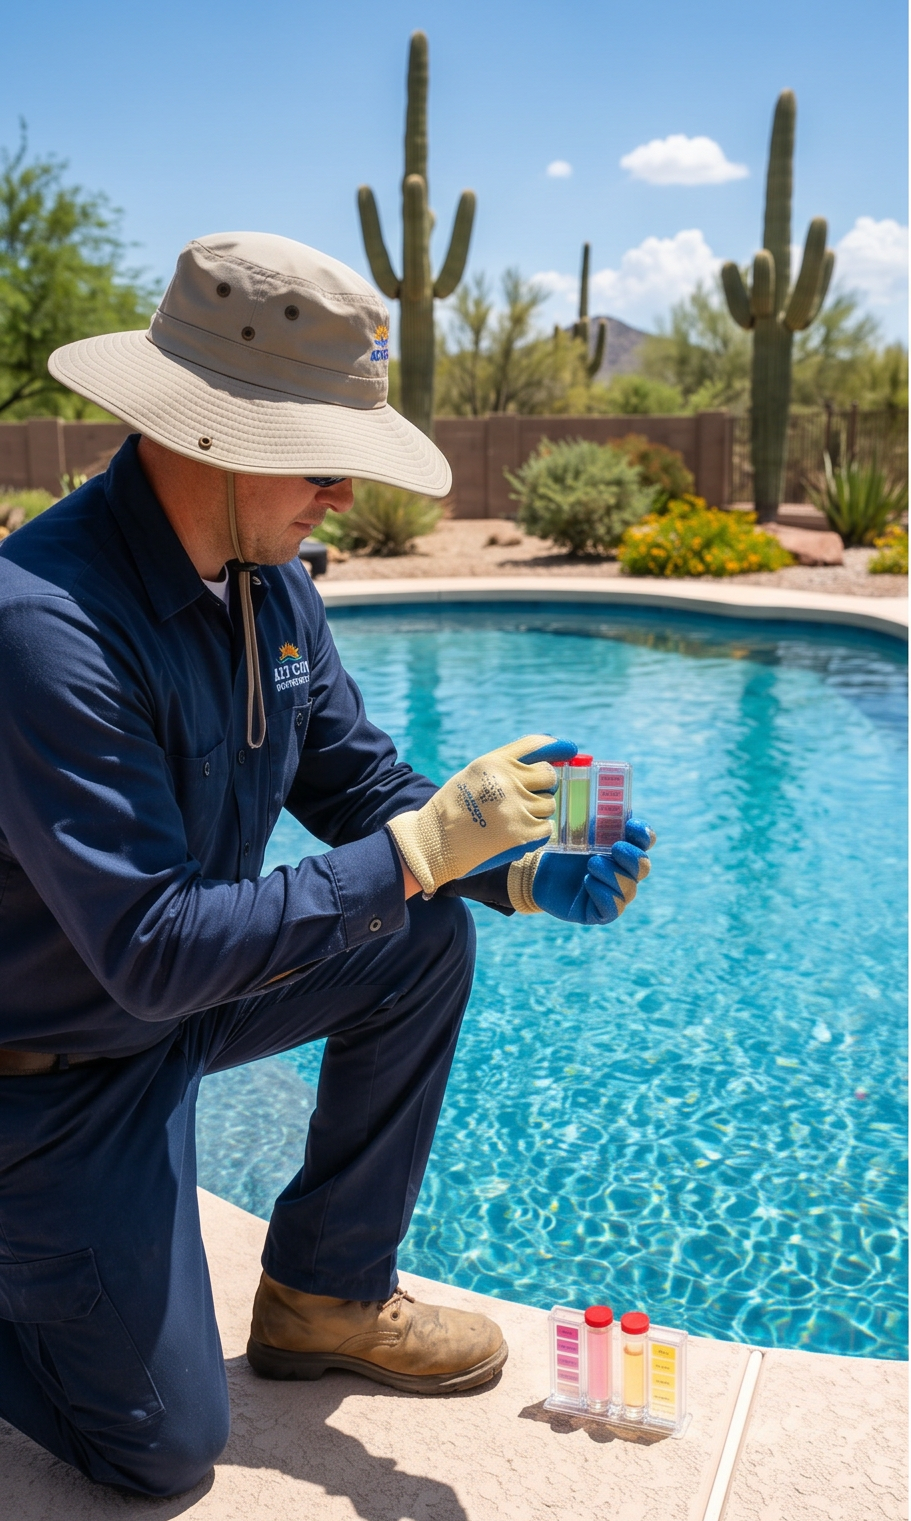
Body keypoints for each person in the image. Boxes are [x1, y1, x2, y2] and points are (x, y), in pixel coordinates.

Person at [0, 232, 655, 1498]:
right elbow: (153, 948)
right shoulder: (42, 630)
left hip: (161, 1020)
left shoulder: (271, 584)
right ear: (214, 432)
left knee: (417, 941)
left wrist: (506, 872)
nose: (344, 496)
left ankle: (323, 1296)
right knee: (164, 1455)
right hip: (51, 1078)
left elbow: (354, 784)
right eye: (323, 457)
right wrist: (417, 852)